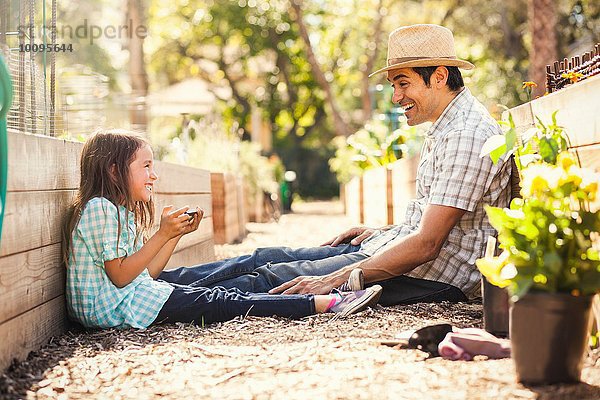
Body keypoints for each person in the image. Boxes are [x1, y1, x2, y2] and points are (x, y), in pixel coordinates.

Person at [159, 24, 511, 306]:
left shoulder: (468, 133)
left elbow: (428, 245)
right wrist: (382, 231)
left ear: (438, 76)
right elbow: (441, 222)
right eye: (394, 86)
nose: (396, 97)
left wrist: (338, 278)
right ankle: (148, 283)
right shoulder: (449, 126)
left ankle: (157, 300)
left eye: (403, 84)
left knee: (273, 278)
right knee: (267, 256)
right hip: (401, 251)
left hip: (430, 276)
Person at [64, 130, 382, 329]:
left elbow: (147, 273)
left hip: (130, 295)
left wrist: (174, 235)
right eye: (145, 166)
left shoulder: (119, 211)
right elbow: (121, 276)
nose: (153, 175)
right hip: (113, 307)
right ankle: (324, 303)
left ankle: (338, 273)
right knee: (221, 301)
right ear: (114, 170)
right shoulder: (100, 209)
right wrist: (161, 234)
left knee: (236, 277)